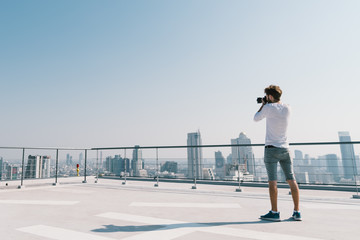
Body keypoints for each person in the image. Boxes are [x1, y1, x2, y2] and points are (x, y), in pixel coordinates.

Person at [254, 85, 301, 222]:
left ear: (270, 96)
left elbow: (256, 118)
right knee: (291, 180)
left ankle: (275, 212)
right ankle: (297, 212)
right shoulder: (288, 108)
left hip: (271, 149)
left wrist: (263, 105)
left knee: (272, 182)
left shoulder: (268, 108)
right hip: (285, 149)